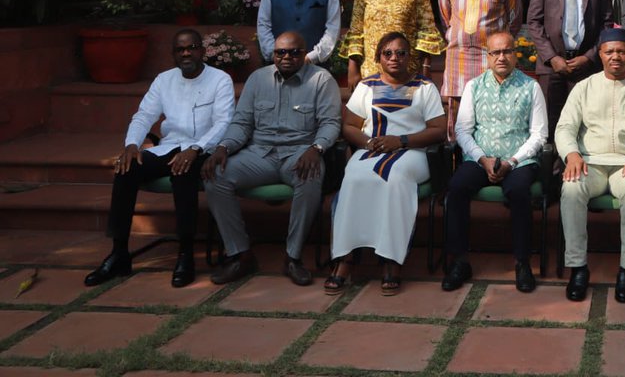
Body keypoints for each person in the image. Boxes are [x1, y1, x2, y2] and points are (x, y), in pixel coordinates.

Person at [84, 29, 234, 288]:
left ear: (202, 50)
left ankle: (185, 255)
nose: (186, 53)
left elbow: (223, 123)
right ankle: (119, 252)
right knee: (126, 169)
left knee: (183, 170)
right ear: (173, 54)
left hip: (203, 150)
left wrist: (196, 149)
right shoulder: (164, 80)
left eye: (191, 47)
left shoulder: (220, 80)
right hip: (168, 147)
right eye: (180, 49)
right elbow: (144, 115)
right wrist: (131, 144)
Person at [202, 31, 341, 286]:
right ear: (273, 54)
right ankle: (240, 255)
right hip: (259, 154)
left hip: (299, 153)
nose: (287, 57)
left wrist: (317, 148)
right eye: (281, 52)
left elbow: (330, 123)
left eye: (294, 52)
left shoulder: (322, 79)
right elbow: (242, 123)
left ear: (305, 52)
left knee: (311, 175)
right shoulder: (258, 79)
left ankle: (293, 257)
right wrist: (223, 147)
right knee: (216, 175)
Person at [323, 32, 447, 296]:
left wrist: (401, 141)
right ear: (378, 57)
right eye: (387, 53)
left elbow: (438, 129)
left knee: (395, 177)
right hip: (373, 149)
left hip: (413, 152)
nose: (394, 58)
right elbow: (349, 126)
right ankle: (345, 258)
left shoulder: (425, 86)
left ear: (409, 57)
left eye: (401, 53)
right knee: (354, 176)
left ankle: (391, 260)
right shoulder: (366, 86)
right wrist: (369, 144)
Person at [555, 28, 625, 303]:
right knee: (571, 189)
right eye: (609, 52)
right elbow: (565, 127)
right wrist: (571, 154)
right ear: (601, 55)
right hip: (589, 163)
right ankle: (578, 268)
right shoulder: (584, 87)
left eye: (621, 52)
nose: (615, 57)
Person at [442, 31, 548, 293]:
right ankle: (459, 260)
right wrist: (482, 158)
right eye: (495, 52)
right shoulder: (473, 86)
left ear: (515, 54)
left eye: (507, 51)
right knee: (457, 187)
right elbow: (463, 130)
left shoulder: (530, 86)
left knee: (519, 190)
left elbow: (539, 133)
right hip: (480, 158)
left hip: (519, 160)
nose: (502, 57)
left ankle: (522, 262)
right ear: (487, 57)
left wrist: (512, 161)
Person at [438, 0, 523, 139]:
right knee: (457, 112)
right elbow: (445, 20)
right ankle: (457, 161)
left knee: (493, 107)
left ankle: (494, 153)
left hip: (492, 58)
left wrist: (498, 47)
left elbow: (515, 19)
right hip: (458, 59)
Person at [526, 0, 612, 128]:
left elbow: (606, 23)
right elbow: (534, 21)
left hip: (586, 65)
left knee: (587, 122)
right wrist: (552, 57)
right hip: (552, 65)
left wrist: (589, 57)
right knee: (550, 122)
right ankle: (554, 160)